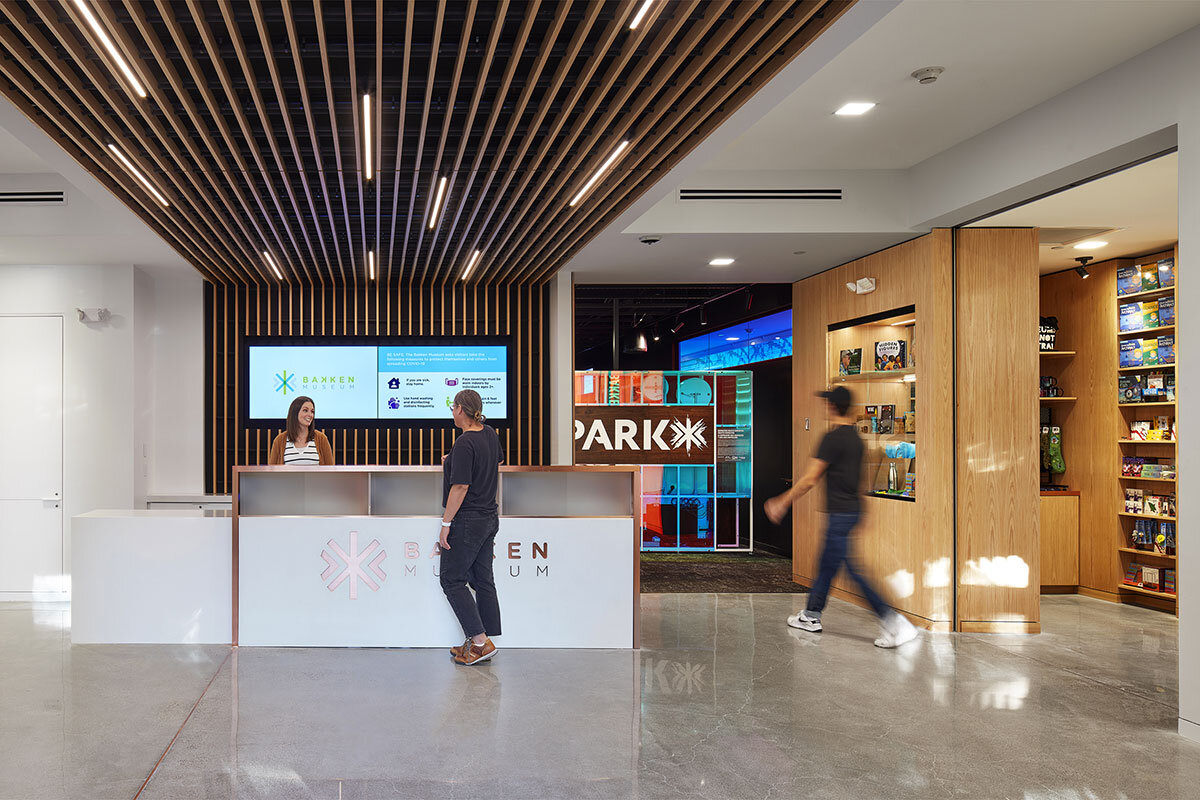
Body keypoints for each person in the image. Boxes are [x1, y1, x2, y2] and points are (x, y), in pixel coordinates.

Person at [764, 385, 918, 648]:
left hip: (840, 514)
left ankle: (894, 621)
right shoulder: (856, 440)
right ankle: (811, 615)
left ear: (832, 406)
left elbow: (811, 478)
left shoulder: (832, 439)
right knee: (827, 565)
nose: (824, 407)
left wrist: (782, 501)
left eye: (827, 403)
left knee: (853, 571)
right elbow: (860, 479)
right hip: (850, 511)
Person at [440, 389, 505, 666]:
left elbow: (461, 486)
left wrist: (446, 524)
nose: (451, 411)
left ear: (460, 410)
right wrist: (453, 460)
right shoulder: (489, 433)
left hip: (468, 520)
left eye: (452, 406)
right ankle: (481, 642)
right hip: (489, 517)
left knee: (452, 580)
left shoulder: (465, 443)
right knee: (482, 579)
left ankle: (480, 641)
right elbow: (495, 461)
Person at [268, 396, 334, 465]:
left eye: (312, 411)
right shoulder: (279, 440)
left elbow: (330, 470)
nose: (310, 415)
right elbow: (272, 471)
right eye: (305, 410)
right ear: (295, 413)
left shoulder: (321, 439)